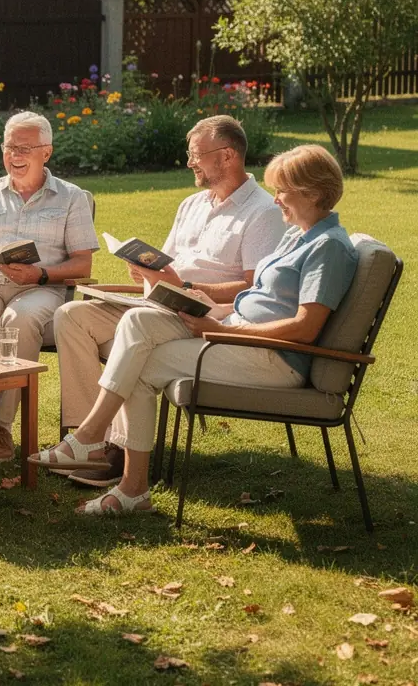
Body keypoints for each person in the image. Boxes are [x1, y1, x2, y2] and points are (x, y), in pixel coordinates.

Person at [28, 144, 358, 516]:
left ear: (313, 192)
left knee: (137, 352)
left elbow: (305, 329)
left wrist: (216, 330)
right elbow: (261, 297)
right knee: (138, 331)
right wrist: (210, 307)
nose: (277, 199)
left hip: (275, 360)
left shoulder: (328, 247)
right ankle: (126, 484)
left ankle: (95, 447)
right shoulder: (299, 234)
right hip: (238, 334)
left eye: (282, 191)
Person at [48, 114, 285, 489]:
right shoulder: (191, 204)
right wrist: (144, 270)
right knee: (71, 316)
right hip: (158, 303)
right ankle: (87, 438)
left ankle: (115, 452)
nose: (190, 162)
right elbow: (168, 263)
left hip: (199, 314)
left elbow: (253, 286)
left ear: (226, 156)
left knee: (134, 332)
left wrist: (186, 284)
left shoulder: (264, 212)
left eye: (197, 155)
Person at [0, 111, 99, 464]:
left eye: (24, 148)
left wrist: (39, 275)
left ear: (47, 152)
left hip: (39, 288)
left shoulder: (72, 197)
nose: (14, 155)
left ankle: (3, 427)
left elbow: (82, 264)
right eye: (9, 146)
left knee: (20, 320)